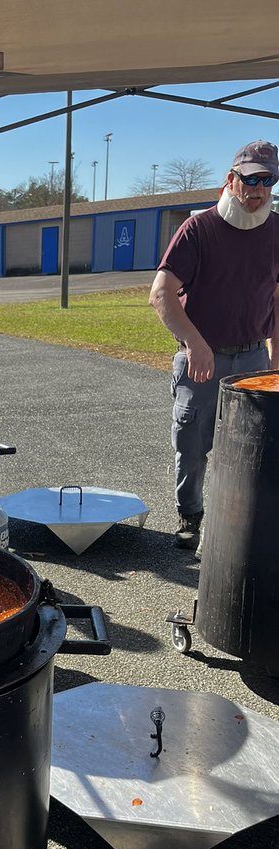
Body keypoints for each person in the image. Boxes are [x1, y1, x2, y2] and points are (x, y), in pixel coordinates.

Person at [149, 140, 279, 550]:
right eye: (250, 179)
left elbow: (276, 298)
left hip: (254, 357)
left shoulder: (276, 230)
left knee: (250, 447)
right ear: (231, 180)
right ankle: (191, 516)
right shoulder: (199, 229)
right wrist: (194, 343)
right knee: (192, 443)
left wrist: (276, 361)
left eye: (268, 180)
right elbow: (161, 293)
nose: (258, 188)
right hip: (202, 360)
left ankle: (237, 525)